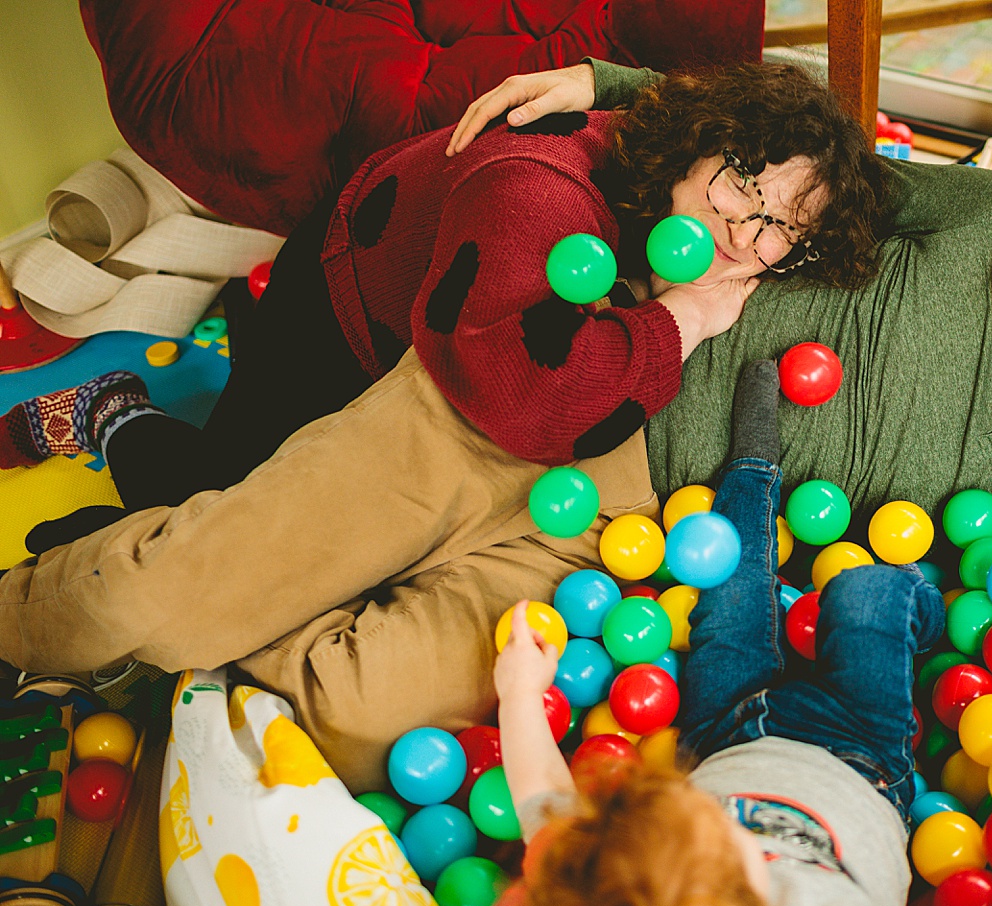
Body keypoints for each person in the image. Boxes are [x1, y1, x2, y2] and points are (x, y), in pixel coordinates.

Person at [0, 63, 884, 790]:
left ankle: (155, 585)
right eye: (740, 186)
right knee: (207, 508)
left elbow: (915, 194)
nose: (741, 230)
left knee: (280, 589)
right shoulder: (540, 185)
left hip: (519, 395)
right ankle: (113, 408)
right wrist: (684, 318)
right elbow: (522, 397)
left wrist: (612, 84)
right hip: (354, 317)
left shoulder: (717, 220)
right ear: (700, 142)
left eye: (779, 231)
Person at [456, 61, 992, 606]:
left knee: (355, 701)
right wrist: (610, 85)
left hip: (619, 514)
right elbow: (816, 162)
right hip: (577, 332)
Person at [491, 362, 992, 906]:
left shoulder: (600, 902)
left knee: (727, 583)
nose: (733, 825)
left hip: (722, 732)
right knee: (866, 593)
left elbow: (545, 807)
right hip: (859, 756)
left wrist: (521, 695)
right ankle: (924, 617)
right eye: (729, 846)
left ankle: (751, 461)